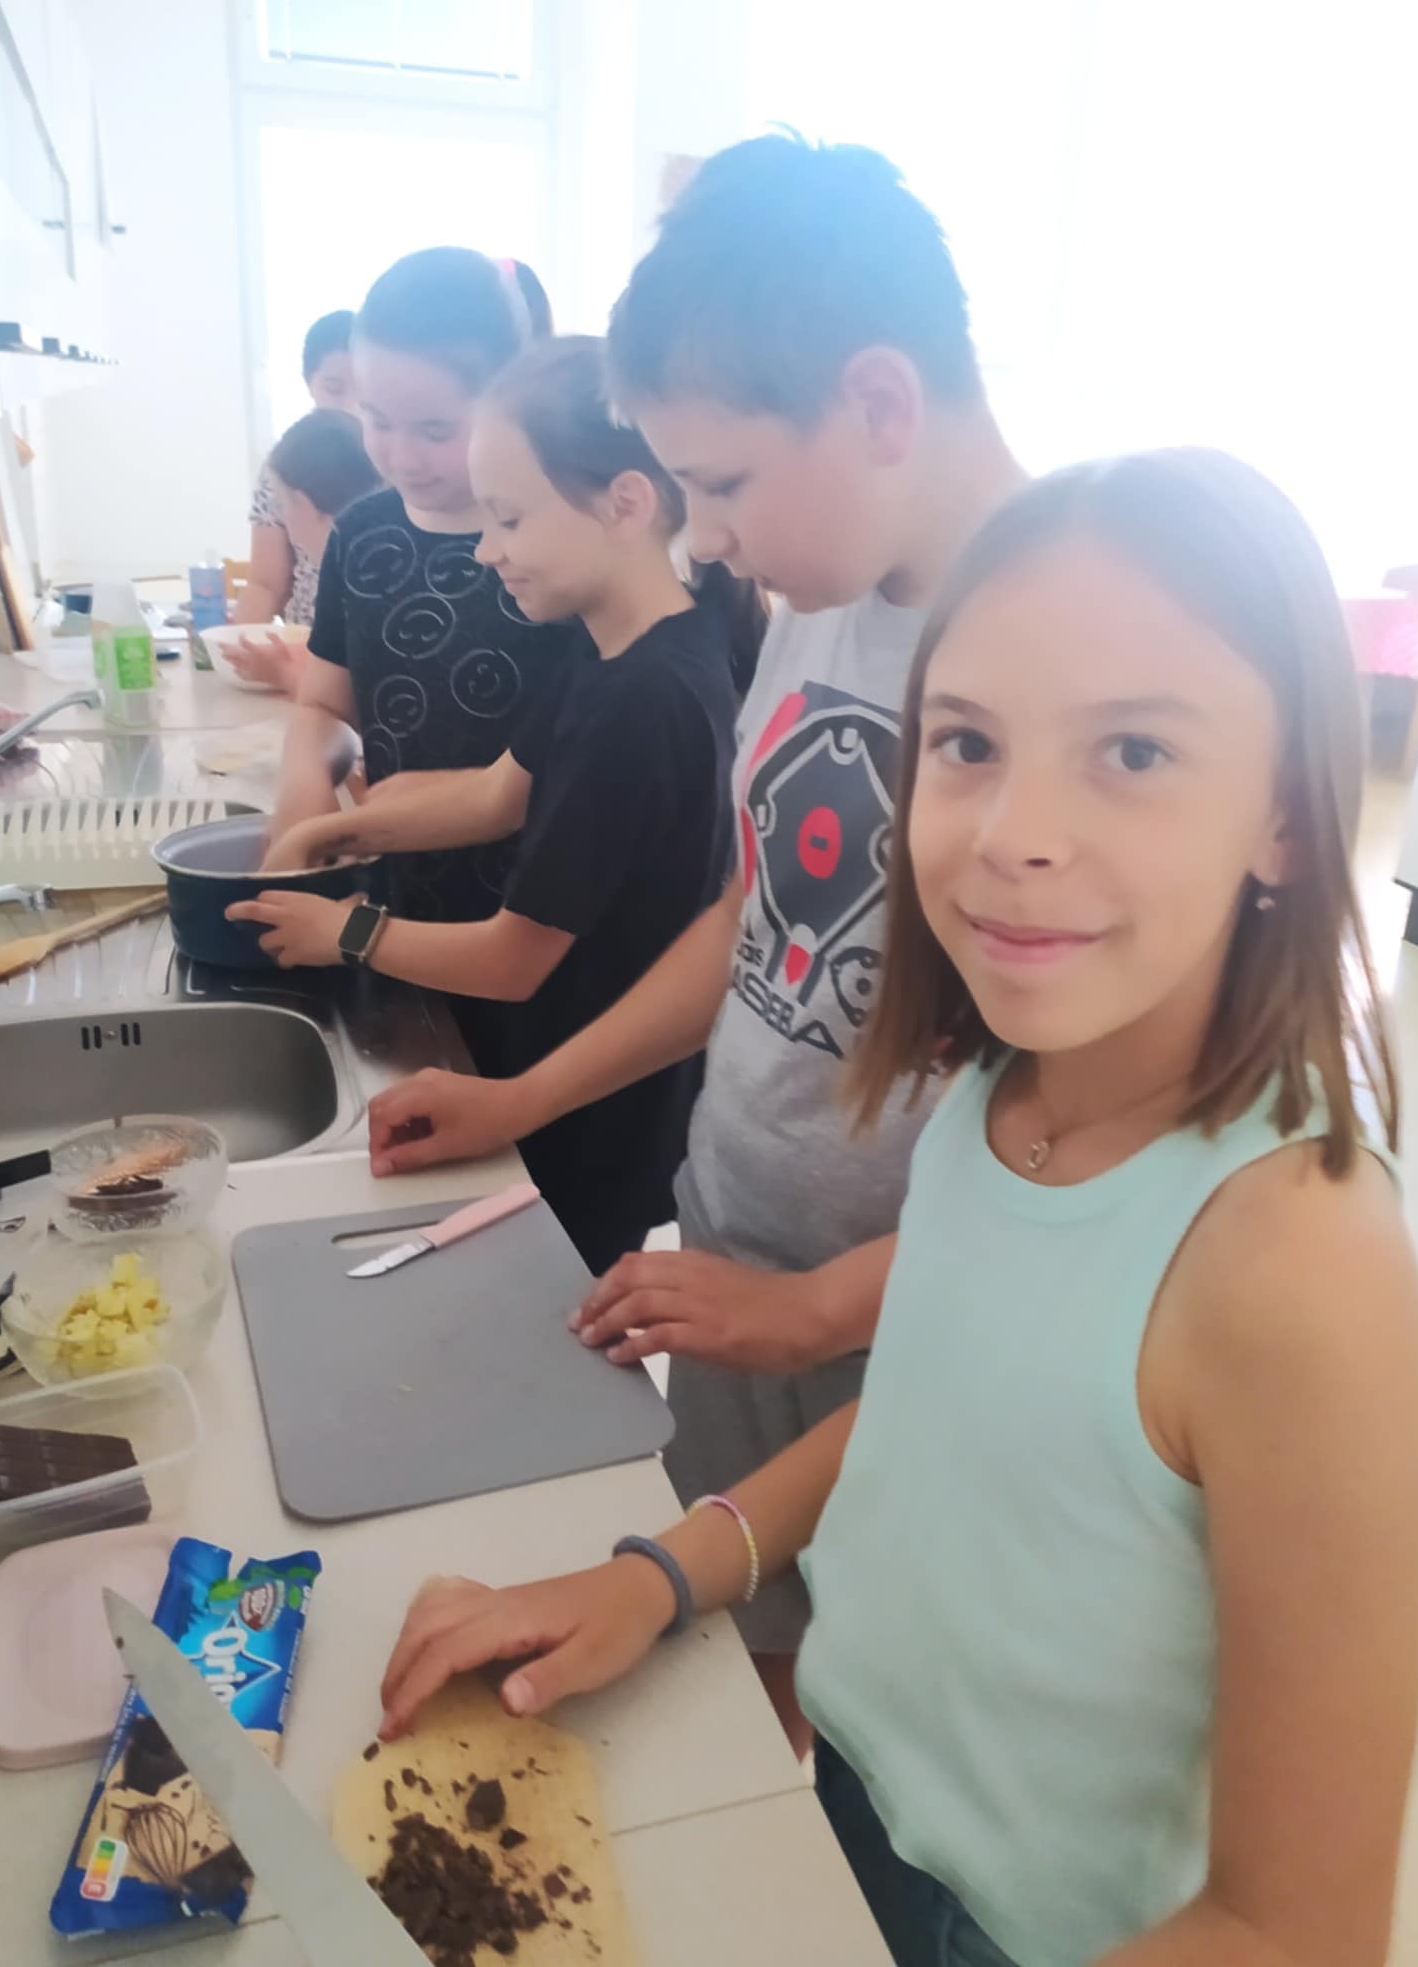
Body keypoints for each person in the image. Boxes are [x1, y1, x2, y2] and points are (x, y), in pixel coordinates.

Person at [372, 449, 1418, 1967]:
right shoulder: (998, 1091)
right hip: (866, 1794)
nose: (1010, 830)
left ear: (1284, 814)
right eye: (968, 742)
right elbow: (934, 1412)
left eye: (1134, 751)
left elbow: (1296, 1930)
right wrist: (659, 1574)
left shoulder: (1299, 1265)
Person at [363, 135, 1025, 1746]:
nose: (706, 540)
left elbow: (1095, 1171)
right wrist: (527, 1101)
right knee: (749, 1694)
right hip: (737, 1257)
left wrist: (823, 1310)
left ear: (879, 403)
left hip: (925, 1314)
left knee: (891, 1728)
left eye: (721, 486)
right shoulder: (819, 595)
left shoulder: (1059, 649)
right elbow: (753, 916)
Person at [232, 337, 738, 1276]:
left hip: (590, 1102)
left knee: (545, 1308)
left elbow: (513, 959)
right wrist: (328, 829)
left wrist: (346, 931)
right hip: (550, 1067)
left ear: (626, 503)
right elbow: (498, 793)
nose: (485, 545)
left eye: (508, 517)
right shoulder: (609, 643)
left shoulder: (643, 702)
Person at [262, 248, 580, 1078]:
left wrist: (354, 823)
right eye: (376, 420)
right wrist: (306, 788)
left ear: (508, 395)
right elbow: (325, 705)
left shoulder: (559, 548)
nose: (400, 455)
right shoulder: (362, 534)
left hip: (541, 938)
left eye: (435, 430)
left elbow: (573, 770)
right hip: (396, 921)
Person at [230, 410, 382, 695]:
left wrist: (280, 673)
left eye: (282, 505)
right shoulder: (368, 563)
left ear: (302, 505)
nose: (282, 519)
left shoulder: (359, 584)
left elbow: (361, 696)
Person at [238, 308, 357, 633]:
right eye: (334, 388)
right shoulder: (285, 463)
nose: (351, 405)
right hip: (303, 638)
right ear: (309, 383)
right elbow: (266, 583)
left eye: (367, 389)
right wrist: (233, 646)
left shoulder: (398, 461)